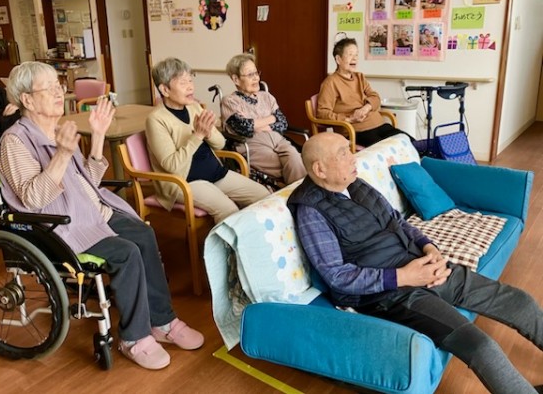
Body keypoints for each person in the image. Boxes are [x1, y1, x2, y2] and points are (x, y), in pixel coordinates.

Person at [287, 132, 543, 394]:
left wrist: (430, 248)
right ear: (320, 169)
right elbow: (337, 276)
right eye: (343, 154)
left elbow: (397, 222)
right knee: (479, 345)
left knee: (519, 302)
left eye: (349, 149)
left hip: (418, 262)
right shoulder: (311, 211)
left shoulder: (356, 184)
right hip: (388, 293)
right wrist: (405, 276)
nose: (353, 157)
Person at [0, 61, 203, 371]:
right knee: (126, 253)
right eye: (49, 88)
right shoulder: (15, 141)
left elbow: (89, 182)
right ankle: (133, 337)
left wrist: (96, 137)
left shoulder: (58, 130)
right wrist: (62, 155)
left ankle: (162, 321)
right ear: (27, 99)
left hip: (92, 211)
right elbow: (33, 199)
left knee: (144, 234)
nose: (59, 93)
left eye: (59, 85)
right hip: (60, 226)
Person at [147, 57, 269, 224]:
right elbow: (172, 165)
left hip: (215, 173)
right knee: (229, 210)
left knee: (264, 196)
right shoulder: (156, 120)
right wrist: (197, 136)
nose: (191, 86)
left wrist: (208, 132)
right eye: (183, 83)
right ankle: (233, 241)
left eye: (190, 80)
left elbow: (220, 144)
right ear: (165, 89)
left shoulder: (194, 107)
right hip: (185, 182)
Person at [221, 53, 306, 186]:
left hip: (279, 141)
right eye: (250, 75)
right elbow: (245, 127)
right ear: (236, 79)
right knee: (287, 164)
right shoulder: (230, 101)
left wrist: (260, 125)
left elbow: (283, 122)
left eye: (256, 73)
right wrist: (272, 118)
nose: (256, 78)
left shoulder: (267, 97)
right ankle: (293, 193)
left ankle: (296, 193)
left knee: (295, 158)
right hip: (253, 146)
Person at [316, 38, 412, 147]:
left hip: (379, 125)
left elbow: (375, 97)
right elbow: (322, 113)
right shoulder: (330, 83)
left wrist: (366, 108)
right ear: (338, 59)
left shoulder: (360, 77)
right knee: (392, 149)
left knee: (411, 143)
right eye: (350, 54)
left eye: (356, 55)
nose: (355, 58)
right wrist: (349, 119)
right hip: (356, 131)